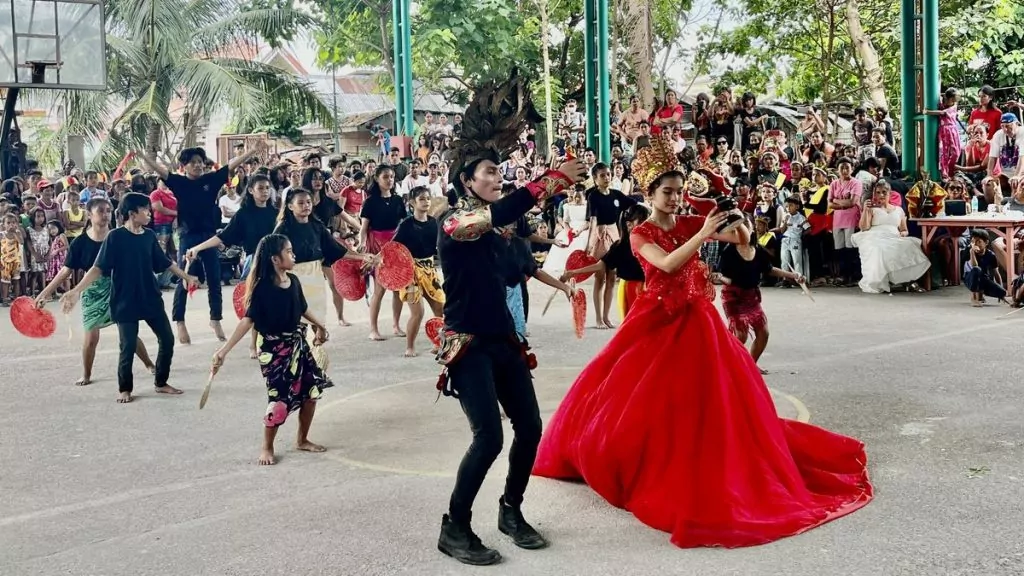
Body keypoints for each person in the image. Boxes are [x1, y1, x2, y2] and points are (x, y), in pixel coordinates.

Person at [532, 148, 872, 548]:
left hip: (698, 318)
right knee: (641, 396)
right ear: (651, 193)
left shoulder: (694, 219)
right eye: (668, 193)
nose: (675, 199)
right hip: (656, 320)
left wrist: (738, 223)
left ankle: (706, 462)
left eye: (678, 192)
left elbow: (740, 238)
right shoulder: (641, 232)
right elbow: (669, 264)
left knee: (710, 398)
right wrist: (703, 231)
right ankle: (646, 462)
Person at [433, 73, 584, 566]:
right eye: (488, 175)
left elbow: (524, 263)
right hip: (468, 344)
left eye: (500, 174)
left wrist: (572, 276)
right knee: (489, 437)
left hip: (504, 340)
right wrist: (553, 179)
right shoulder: (455, 225)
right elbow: (495, 218)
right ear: (465, 182)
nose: (497, 180)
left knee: (531, 428)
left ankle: (511, 511)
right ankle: (454, 527)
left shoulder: (500, 234)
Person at [60, 193, 199, 403]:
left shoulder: (149, 236)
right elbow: (98, 268)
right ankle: (125, 388)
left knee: (167, 339)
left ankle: (161, 382)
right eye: (145, 210)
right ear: (132, 214)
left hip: (149, 296)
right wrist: (77, 290)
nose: (149, 213)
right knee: (127, 345)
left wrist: (186, 276)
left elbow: (164, 263)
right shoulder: (115, 237)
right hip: (124, 300)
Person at [212, 234, 333, 466]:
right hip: (273, 350)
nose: (293, 254)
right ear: (275, 260)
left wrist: (320, 326)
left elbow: (303, 310)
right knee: (278, 401)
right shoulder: (261, 289)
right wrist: (223, 351)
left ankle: (302, 439)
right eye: (288, 251)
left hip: (298, 345)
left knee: (311, 394)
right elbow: (248, 321)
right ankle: (267, 446)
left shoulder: (294, 281)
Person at [138, 145, 262, 344]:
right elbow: (159, 169)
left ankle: (215, 319)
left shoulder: (211, 180)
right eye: (193, 162)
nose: (198, 165)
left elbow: (232, 164)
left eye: (200, 162)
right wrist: (143, 154)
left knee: (214, 279)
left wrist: (250, 152)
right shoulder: (178, 182)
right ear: (184, 166)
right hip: (187, 236)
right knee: (185, 279)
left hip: (209, 236)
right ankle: (179, 321)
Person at [35, 198, 155, 385]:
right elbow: (66, 271)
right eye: (101, 211)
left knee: (128, 334)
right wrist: (44, 293)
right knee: (91, 338)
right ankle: (87, 374)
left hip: (118, 287)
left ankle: (148, 363)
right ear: (89, 215)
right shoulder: (80, 242)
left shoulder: (119, 236)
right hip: (91, 290)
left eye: (108, 210)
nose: (106, 214)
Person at [716, 221, 805, 374]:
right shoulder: (728, 252)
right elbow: (726, 279)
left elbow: (769, 269)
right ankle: (730, 366)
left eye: (745, 227)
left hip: (751, 297)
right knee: (740, 335)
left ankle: (750, 365)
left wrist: (793, 275)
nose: (743, 231)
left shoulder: (757, 250)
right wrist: (718, 278)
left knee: (763, 333)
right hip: (733, 296)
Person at [560, 204, 649, 320]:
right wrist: (572, 272)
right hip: (632, 289)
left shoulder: (652, 243)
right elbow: (599, 266)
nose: (647, 224)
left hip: (651, 287)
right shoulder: (620, 247)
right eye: (642, 221)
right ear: (629, 224)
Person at [392, 187, 445, 357]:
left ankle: (439, 343)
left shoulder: (433, 223)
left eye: (428, 199)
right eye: (422, 199)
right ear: (412, 203)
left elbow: (441, 246)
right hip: (410, 271)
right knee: (418, 312)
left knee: (440, 308)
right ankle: (410, 346)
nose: (426, 202)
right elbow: (393, 247)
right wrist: (378, 260)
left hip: (429, 268)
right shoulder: (406, 224)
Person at [851, 180, 930, 294]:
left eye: (884, 192)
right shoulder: (871, 208)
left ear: (890, 194)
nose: (881, 195)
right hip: (875, 235)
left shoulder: (899, 210)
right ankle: (885, 281)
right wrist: (865, 210)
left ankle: (908, 281)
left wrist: (902, 234)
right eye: (878, 192)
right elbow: (864, 228)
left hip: (894, 236)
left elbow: (904, 230)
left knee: (910, 244)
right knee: (880, 249)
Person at [924, 88, 962, 180]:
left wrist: (928, 112)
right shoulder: (942, 104)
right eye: (951, 100)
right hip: (944, 131)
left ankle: (950, 169)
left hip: (952, 130)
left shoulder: (953, 107)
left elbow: (942, 113)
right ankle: (945, 173)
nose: (953, 101)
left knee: (956, 152)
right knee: (944, 153)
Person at [964, 229, 1006, 307]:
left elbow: (996, 273)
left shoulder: (991, 255)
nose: (976, 244)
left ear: (986, 242)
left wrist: (1000, 288)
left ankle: (980, 294)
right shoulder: (969, 251)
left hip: (983, 279)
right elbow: (974, 266)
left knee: (1002, 292)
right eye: (973, 242)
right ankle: (974, 298)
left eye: (979, 242)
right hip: (969, 278)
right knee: (977, 270)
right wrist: (972, 252)